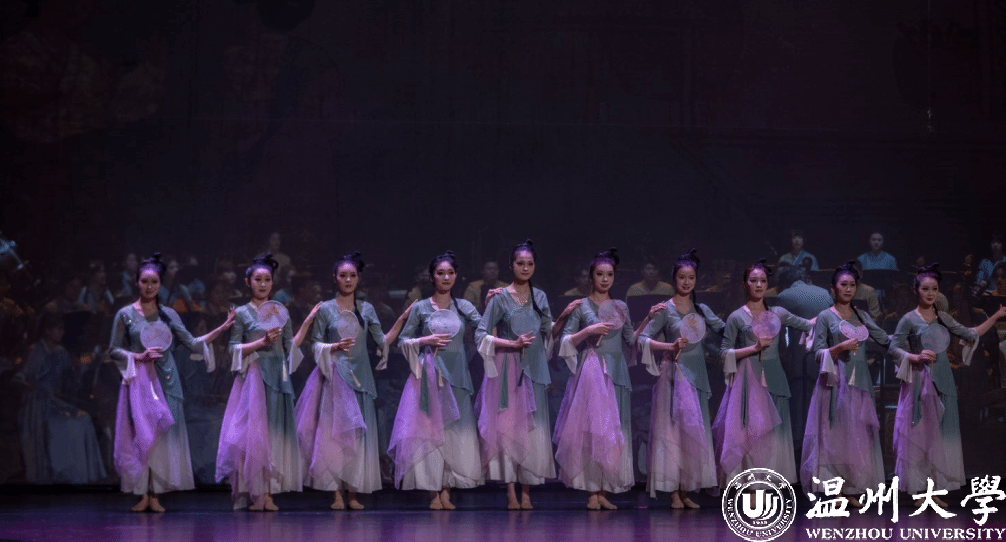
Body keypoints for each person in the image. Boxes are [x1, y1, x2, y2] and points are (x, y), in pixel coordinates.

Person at [108, 253, 234, 512]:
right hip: (141, 381)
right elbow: (113, 350)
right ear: (137, 282)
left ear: (160, 284)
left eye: (154, 282)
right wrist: (137, 356)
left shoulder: (168, 315)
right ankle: (142, 492)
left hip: (167, 380)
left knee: (163, 439)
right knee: (143, 436)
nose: (149, 286)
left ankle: (155, 494)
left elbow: (192, 343)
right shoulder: (125, 314)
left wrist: (222, 329)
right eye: (144, 281)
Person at [296, 251, 411, 510]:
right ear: (334, 278)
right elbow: (315, 343)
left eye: (352, 275)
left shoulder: (366, 309)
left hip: (361, 379)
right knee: (334, 436)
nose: (348, 280)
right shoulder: (325, 309)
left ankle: (352, 493)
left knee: (358, 437)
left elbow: (382, 341)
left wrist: (401, 320)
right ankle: (336, 492)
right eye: (343, 275)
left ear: (358, 278)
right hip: (335, 379)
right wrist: (333, 347)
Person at [889, 264, 1006, 506]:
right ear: (916, 290)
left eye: (934, 289)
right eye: (925, 289)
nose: (930, 293)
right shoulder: (909, 319)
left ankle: (934, 489)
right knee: (921, 434)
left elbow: (971, 333)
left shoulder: (943, 317)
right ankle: (919, 489)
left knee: (942, 434)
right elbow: (893, 347)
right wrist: (914, 357)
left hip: (943, 379)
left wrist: (996, 316)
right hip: (919, 380)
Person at [474, 239, 578, 509]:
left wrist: (563, 317)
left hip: (534, 368)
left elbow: (548, 333)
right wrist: (511, 343)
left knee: (532, 429)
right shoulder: (500, 297)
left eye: (530, 263)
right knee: (510, 427)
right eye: (520, 263)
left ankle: (527, 491)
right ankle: (510, 491)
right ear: (511, 266)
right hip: (508, 369)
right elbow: (480, 334)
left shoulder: (539, 296)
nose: (525, 267)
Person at [216, 254, 320, 511]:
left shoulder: (280, 311)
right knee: (252, 435)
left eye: (267, 280)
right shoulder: (242, 313)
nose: (263, 284)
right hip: (253, 379)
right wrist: (260, 343)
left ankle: (269, 493)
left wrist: (307, 323)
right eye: (258, 279)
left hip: (278, 378)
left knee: (273, 435)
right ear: (248, 282)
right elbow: (233, 348)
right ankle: (255, 492)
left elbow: (289, 347)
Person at [555, 248, 648, 509]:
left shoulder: (620, 307)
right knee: (592, 431)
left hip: (616, 372)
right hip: (592, 371)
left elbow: (630, 339)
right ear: (590, 276)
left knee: (613, 431)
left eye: (609, 275)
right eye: (599, 274)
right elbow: (566, 340)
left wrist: (647, 321)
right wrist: (588, 331)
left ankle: (605, 491)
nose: (605, 279)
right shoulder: (581, 306)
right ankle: (591, 491)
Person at [390, 251, 484, 509]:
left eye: (450, 273)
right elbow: (403, 340)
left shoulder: (463, 307)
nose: (446, 277)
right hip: (430, 377)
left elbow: (484, 328)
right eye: (440, 273)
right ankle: (432, 491)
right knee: (430, 431)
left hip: (457, 376)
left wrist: (493, 301)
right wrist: (425, 340)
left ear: (456, 276)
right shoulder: (421, 308)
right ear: (432, 277)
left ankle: (446, 489)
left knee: (454, 432)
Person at [713, 259, 814, 485]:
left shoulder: (778, 313)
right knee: (752, 434)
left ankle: (768, 484)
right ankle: (751, 485)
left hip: (775, 380)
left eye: (763, 281)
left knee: (774, 435)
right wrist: (753, 348)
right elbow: (723, 352)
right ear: (745, 284)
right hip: (748, 383)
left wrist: (836, 316)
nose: (758, 285)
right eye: (753, 280)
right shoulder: (737, 317)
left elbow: (808, 325)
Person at [640, 249, 724, 509]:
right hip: (673, 376)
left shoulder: (701, 309)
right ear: (674, 278)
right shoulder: (666, 309)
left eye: (691, 277)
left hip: (697, 376)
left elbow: (724, 329)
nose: (686, 282)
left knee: (693, 432)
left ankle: (687, 489)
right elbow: (643, 339)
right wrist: (669, 346)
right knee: (674, 431)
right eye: (682, 277)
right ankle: (674, 492)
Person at [801, 262, 889, 507]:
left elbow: (884, 338)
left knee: (856, 434)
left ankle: (851, 487)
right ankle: (835, 487)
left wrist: (910, 341)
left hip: (859, 382)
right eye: (843, 285)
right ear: (833, 288)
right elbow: (817, 352)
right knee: (835, 433)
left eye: (852, 285)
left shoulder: (861, 316)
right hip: (835, 382)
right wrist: (839, 348)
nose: (848, 289)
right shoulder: (826, 316)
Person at [18, 312, 107, 484]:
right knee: (68, 425)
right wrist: (30, 385)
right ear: (47, 331)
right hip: (37, 402)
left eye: (62, 329)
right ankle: (59, 471)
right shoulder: (35, 351)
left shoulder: (61, 353)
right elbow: (22, 376)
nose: (61, 333)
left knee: (84, 419)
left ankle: (79, 473)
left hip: (56, 401)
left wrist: (76, 368)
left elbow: (70, 382)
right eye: (58, 329)